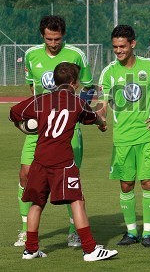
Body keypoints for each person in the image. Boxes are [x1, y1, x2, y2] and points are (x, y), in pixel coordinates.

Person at [9, 62, 118, 261]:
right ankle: (90, 249)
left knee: (37, 202)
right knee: (77, 200)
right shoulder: (77, 102)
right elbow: (92, 117)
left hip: (40, 159)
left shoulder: (41, 100)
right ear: (74, 83)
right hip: (63, 162)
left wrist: (24, 128)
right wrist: (102, 124)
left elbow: (14, 113)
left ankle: (31, 249)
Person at [15, 15, 95, 248]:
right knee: (25, 174)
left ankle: (74, 232)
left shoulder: (76, 55)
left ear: (63, 36)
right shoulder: (31, 55)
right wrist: (29, 121)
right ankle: (25, 231)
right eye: (49, 39)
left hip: (69, 129)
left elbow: (89, 87)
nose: (53, 43)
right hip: (40, 128)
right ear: (43, 36)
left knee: (71, 181)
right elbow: (32, 88)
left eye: (57, 39)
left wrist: (80, 112)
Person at [97, 25, 150, 248]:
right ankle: (131, 232)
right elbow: (103, 104)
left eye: (122, 46)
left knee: (148, 183)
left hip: (147, 135)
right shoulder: (109, 71)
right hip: (122, 138)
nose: (118, 51)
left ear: (133, 44)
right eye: (115, 47)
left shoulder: (149, 67)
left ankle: (148, 233)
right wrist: (100, 115)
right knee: (126, 185)